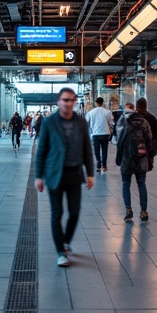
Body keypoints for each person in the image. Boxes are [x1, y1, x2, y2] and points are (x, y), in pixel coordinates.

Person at [34, 87, 96, 267]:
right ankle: (60, 252)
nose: (68, 103)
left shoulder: (81, 122)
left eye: (71, 100)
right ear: (58, 101)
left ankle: (66, 240)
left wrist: (90, 173)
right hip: (55, 174)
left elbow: (87, 149)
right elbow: (42, 150)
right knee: (57, 213)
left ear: (75, 101)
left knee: (74, 212)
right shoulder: (49, 122)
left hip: (75, 173)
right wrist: (38, 176)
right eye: (64, 100)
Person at [116, 100, 155, 222]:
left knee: (126, 184)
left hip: (127, 158)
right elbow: (150, 139)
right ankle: (143, 211)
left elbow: (117, 140)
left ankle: (128, 209)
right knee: (141, 183)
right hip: (141, 157)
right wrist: (150, 157)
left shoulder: (123, 121)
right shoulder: (144, 121)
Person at [86, 97, 114, 174]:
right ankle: (104, 166)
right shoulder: (107, 112)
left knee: (96, 151)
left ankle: (98, 166)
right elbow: (111, 122)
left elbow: (86, 123)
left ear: (96, 103)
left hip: (95, 134)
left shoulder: (91, 112)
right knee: (104, 150)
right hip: (105, 133)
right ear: (102, 103)